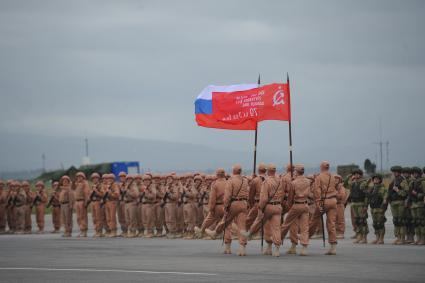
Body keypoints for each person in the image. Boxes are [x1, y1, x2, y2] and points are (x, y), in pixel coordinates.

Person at [243, 164, 286, 257]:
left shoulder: (266, 182)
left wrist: (260, 208)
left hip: (268, 206)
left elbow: (264, 198)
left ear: (268, 171)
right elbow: (283, 195)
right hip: (278, 206)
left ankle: (250, 234)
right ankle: (277, 249)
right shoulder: (280, 181)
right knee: (276, 228)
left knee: (259, 220)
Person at [206, 164, 249, 256]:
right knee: (242, 226)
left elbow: (227, 196)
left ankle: (215, 232)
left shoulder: (230, 181)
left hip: (234, 204)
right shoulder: (245, 180)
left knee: (225, 221)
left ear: (233, 171)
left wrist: (225, 206)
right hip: (244, 204)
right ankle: (242, 249)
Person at [308, 161, 338, 255]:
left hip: (323, 201)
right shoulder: (332, 177)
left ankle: (306, 237)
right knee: (331, 224)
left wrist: (318, 203)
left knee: (314, 220)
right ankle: (333, 246)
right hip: (333, 201)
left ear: (321, 167)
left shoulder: (319, 177)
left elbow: (317, 191)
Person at [280, 165, 310, 256]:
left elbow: (290, 197)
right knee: (304, 227)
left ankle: (279, 239)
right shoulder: (308, 181)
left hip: (296, 205)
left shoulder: (293, 183)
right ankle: (304, 247)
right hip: (305, 205)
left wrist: (288, 206)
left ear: (296, 172)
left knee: (288, 224)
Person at [195, 168, 226, 238]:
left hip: (218, 206)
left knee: (209, 218)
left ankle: (201, 231)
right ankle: (221, 233)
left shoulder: (215, 184)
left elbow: (212, 198)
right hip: (226, 206)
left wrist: (211, 208)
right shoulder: (228, 183)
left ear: (217, 175)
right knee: (225, 221)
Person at [388, 166, 409, 244]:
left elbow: (406, 193)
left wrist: (398, 190)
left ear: (399, 172)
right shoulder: (393, 181)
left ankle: (402, 238)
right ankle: (398, 237)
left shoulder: (403, 181)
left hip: (400, 202)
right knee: (396, 220)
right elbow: (389, 192)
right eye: (394, 172)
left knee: (401, 220)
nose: (394, 173)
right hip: (393, 203)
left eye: (396, 172)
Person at [347, 169, 369, 244]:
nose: (356, 176)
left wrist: (366, 206)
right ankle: (359, 236)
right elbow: (346, 184)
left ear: (360, 175)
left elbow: (366, 195)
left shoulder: (363, 183)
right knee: (357, 221)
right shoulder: (353, 183)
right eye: (355, 174)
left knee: (362, 221)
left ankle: (364, 238)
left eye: (357, 174)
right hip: (354, 203)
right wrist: (349, 178)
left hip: (361, 203)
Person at [368, 173, 388, 244]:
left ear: (380, 180)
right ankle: (377, 237)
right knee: (375, 224)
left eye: (377, 179)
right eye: (374, 179)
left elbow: (385, 198)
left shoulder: (382, 188)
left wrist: (383, 207)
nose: (375, 180)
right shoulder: (372, 188)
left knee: (380, 223)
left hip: (379, 208)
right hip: (373, 208)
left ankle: (381, 238)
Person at [246, 163, 267, 231]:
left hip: (258, 203)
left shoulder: (255, 180)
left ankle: (246, 233)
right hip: (268, 203)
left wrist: (251, 205)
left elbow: (251, 195)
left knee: (249, 219)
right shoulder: (270, 179)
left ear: (258, 170)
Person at [407, 167, 424, 245]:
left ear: (419, 173)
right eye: (413, 173)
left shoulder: (423, 182)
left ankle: (423, 239)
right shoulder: (412, 182)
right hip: (413, 204)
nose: (414, 174)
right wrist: (408, 202)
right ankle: (418, 238)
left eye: (416, 173)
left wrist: (416, 194)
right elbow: (409, 193)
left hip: (420, 204)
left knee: (421, 222)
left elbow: (423, 194)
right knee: (416, 222)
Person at [74, 172, 90, 237]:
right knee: (78, 217)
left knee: (83, 216)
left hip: (82, 201)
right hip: (77, 202)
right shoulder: (77, 184)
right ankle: (81, 229)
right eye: (77, 177)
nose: (79, 178)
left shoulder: (85, 184)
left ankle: (84, 231)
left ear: (83, 177)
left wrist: (86, 202)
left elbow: (86, 193)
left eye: (80, 177)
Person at [89, 172, 105, 237]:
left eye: (96, 178)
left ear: (98, 179)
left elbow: (102, 194)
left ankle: (99, 231)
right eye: (93, 178)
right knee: (94, 217)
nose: (94, 180)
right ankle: (96, 230)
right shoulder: (92, 186)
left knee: (98, 217)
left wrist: (96, 191)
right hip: (93, 202)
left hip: (98, 202)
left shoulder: (100, 186)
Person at [104, 173, 120, 237]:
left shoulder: (115, 185)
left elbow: (117, 194)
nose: (109, 180)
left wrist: (110, 193)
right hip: (107, 202)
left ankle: (114, 231)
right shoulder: (107, 186)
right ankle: (110, 230)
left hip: (112, 202)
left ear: (113, 179)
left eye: (111, 178)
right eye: (108, 179)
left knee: (112, 217)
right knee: (108, 218)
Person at [117, 172, 128, 237]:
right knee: (120, 217)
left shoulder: (128, 185)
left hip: (125, 202)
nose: (122, 178)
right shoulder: (118, 185)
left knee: (125, 217)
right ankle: (123, 230)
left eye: (123, 177)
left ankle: (127, 230)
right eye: (121, 177)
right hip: (119, 202)